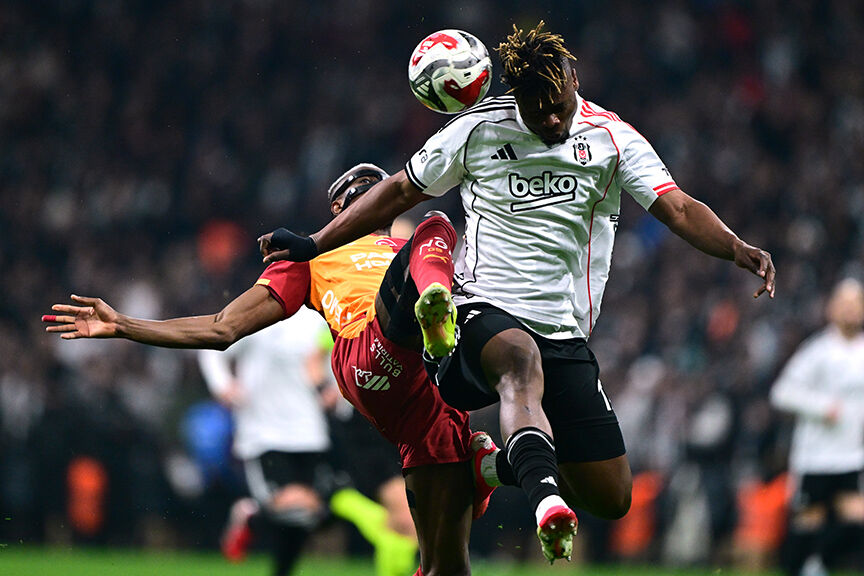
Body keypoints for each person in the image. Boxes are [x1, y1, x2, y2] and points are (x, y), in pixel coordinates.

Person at [258, 21, 776, 563]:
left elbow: (679, 208)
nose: (551, 118)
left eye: (559, 104)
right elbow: (396, 191)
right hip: (480, 312)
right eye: (536, 109)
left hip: (565, 332)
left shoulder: (613, 139)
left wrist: (737, 248)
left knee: (611, 493)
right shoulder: (477, 130)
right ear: (514, 97)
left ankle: (490, 464)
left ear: (574, 78)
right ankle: (545, 502)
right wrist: (314, 243)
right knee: (518, 365)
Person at [43, 163, 496, 576]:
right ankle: (492, 463)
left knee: (448, 565)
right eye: (359, 193)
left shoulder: (415, 248)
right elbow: (222, 328)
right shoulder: (314, 257)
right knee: (434, 227)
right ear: (337, 210)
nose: (373, 197)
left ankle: (497, 463)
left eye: (378, 191)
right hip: (373, 362)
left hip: (430, 393)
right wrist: (124, 324)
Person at [770, 278, 864, 576]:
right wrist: (822, 407)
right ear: (832, 309)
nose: (851, 310)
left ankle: (819, 564)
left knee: (855, 520)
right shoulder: (817, 351)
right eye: (845, 303)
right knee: (807, 525)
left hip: (850, 455)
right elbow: (782, 392)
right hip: (816, 456)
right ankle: (802, 566)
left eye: (856, 303)